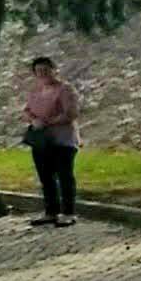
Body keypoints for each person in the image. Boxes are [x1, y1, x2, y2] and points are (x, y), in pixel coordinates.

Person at [23, 56, 82, 227]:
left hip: (62, 140)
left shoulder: (65, 90)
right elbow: (26, 110)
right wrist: (33, 120)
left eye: (46, 70)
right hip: (41, 141)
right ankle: (51, 212)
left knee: (64, 176)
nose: (43, 74)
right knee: (46, 177)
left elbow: (71, 113)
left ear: (54, 70)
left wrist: (47, 122)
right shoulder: (35, 91)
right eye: (39, 71)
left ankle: (69, 213)